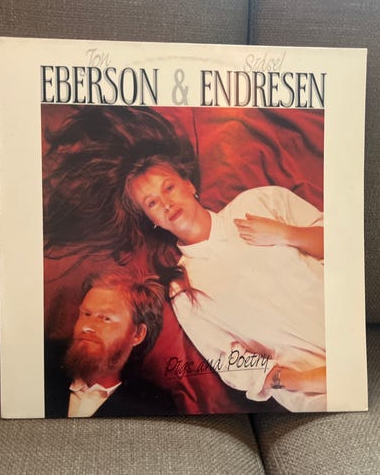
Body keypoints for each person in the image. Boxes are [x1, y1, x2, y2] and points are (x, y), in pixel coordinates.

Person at [43, 106, 326, 412]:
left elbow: (341, 248)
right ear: (151, 219)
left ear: (189, 184)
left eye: (169, 187)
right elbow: (230, 361)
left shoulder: (257, 202)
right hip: (315, 391)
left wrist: (286, 234)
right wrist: (302, 380)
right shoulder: (182, 287)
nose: (166, 203)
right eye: (152, 203)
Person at [45, 271, 177, 417]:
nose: (87, 327)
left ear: (138, 334)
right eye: (86, 314)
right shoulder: (41, 365)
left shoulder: (156, 407)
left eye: (105, 318)